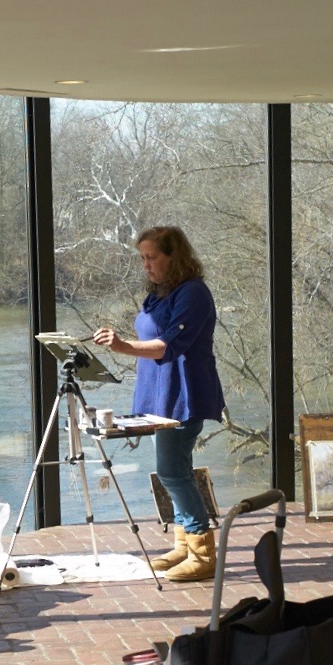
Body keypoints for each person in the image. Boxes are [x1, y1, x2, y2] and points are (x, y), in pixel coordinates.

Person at [91, 225, 227, 582]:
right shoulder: (159, 295)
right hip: (158, 395)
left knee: (171, 472)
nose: (146, 265)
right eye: (143, 258)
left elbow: (168, 346)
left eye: (152, 257)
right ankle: (185, 545)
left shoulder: (194, 294)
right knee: (176, 470)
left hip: (184, 395)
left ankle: (203, 553)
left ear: (173, 256)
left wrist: (121, 346)